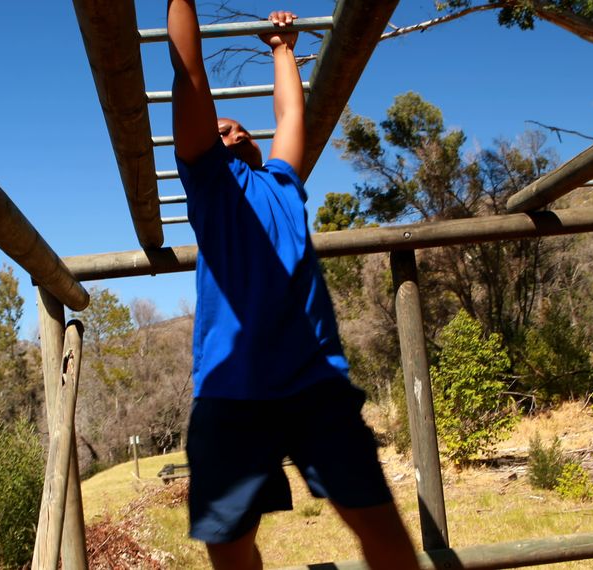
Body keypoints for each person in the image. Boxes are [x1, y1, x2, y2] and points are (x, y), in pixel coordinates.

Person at [167, 2, 422, 569]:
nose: (228, 129)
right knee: (230, 549)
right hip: (232, 390)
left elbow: (288, 119)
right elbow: (189, 76)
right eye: (216, 126)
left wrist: (283, 48)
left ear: (252, 144)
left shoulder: (283, 184)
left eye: (235, 126)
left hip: (315, 383)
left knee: (381, 529)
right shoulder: (209, 187)